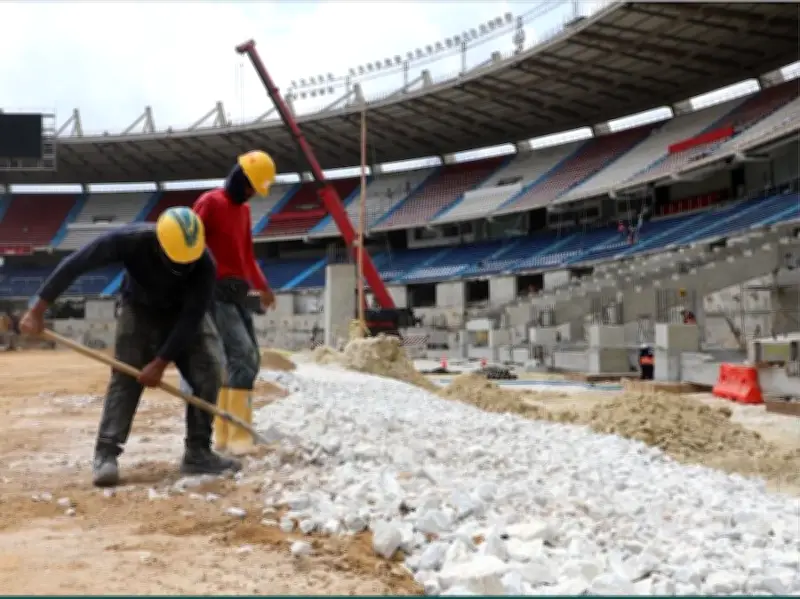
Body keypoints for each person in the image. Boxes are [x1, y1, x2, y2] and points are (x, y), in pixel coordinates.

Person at [19, 207, 241, 487]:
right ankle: (106, 454)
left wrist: (161, 362)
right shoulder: (131, 239)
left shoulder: (204, 263)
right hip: (139, 308)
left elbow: (192, 317)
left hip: (183, 314)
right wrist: (38, 308)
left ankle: (198, 452)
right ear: (160, 244)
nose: (184, 267)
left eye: (189, 262)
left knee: (209, 371)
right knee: (125, 378)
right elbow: (76, 263)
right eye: (177, 262)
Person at [184, 150, 277, 455]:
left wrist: (263, 287)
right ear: (239, 177)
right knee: (243, 356)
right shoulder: (210, 203)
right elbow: (188, 243)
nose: (251, 194)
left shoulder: (245, 212)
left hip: (238, 292)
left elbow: (247, 256)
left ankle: (226, 434)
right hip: (213, 291)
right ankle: (237, 436)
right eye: (249, 186)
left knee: (249, 360)